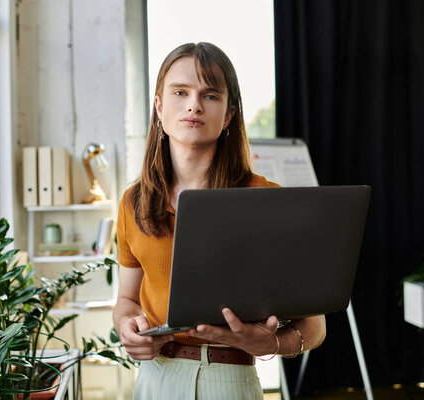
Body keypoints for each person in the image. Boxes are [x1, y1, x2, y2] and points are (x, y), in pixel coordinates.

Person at [113, 42, 326, 400]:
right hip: (155, 378)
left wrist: (270, 342)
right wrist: (127, 326)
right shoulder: (132, 202)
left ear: (228, 115)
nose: (194, 104)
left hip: (232, 380)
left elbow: (315, 327)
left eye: (210, 95)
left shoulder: (268, 199)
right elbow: (126, 299)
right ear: (159, 106)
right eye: (180, 92)